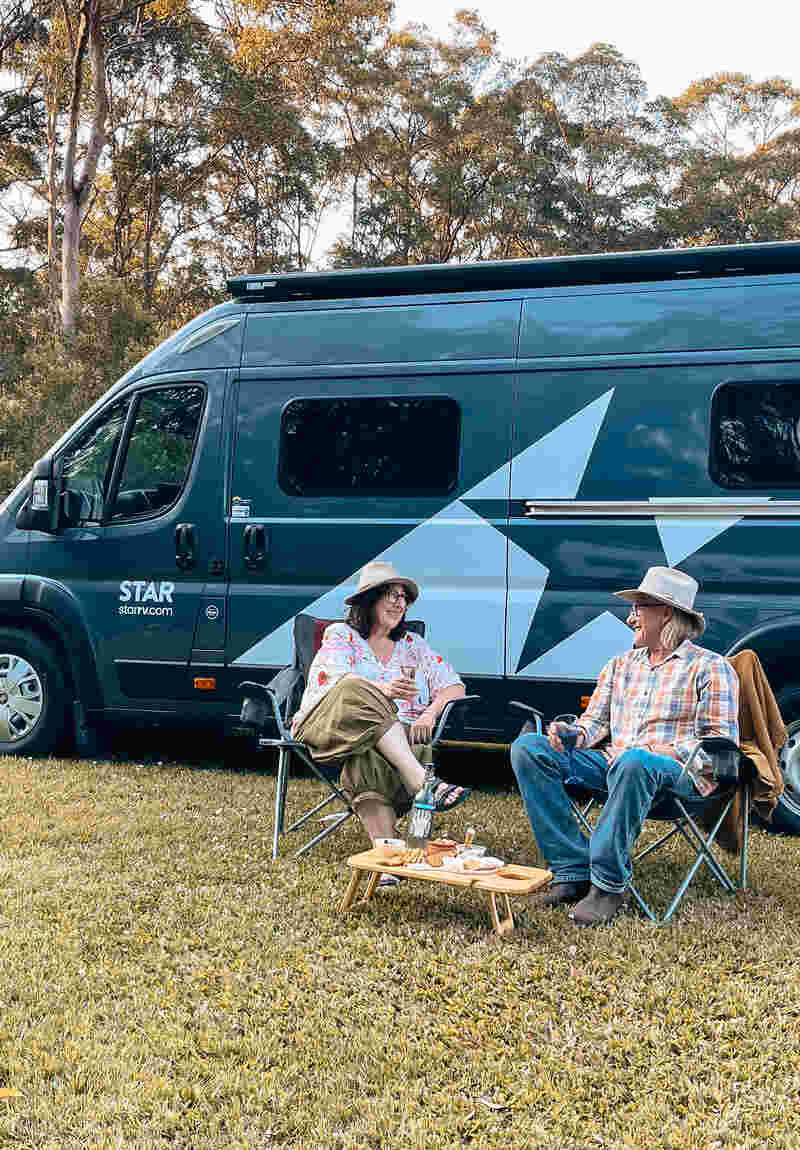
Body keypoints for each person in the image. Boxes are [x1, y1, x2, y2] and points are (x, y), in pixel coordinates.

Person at [510, 567, 739, 926]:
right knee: (529, 748)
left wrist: (663, 752)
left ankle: (609, 885)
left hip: (677, 777)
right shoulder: (619, 665)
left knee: (634, 760)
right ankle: (572, 871)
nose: (630, 617)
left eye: (638, 608)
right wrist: (571, 734)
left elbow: (719, 742)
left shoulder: (711, 668)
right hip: (617, 766)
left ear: (666, 613)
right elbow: (595, 724)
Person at [292, 561, 472, 849]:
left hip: (378, 741)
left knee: (364, 757)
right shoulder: (342, 635)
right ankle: (420, 782)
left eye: (404, 598)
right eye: (392, 595)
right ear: (370, 599)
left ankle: (390, 858)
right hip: (331, 726)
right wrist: (385, 691)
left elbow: (454, 686)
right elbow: (335, 685)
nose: (400, 604)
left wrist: (429, 713)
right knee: (352, 685)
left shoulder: (413, 645)